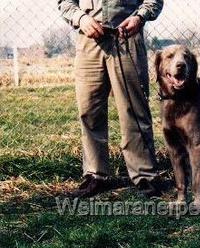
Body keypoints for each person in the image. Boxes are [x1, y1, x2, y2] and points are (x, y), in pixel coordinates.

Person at [58, 0, 164, 197]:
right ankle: (95, 175)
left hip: (127, 38)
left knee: (133, 109)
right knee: (89, 110)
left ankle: (145, 175)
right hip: (89, 42)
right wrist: (81, 19)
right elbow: (65, 3)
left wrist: (139, 17)